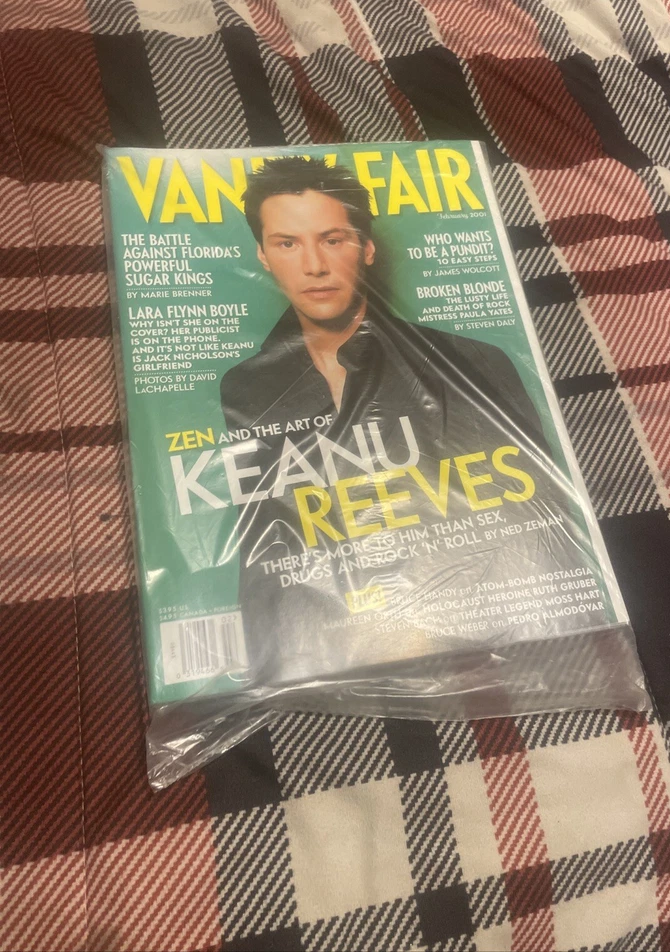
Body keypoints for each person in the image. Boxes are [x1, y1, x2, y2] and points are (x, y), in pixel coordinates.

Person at [220, 156, 588, 687]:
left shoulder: (470, 362)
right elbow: (266, 556)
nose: (314, 265)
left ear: (367, 248)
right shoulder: (246, 387)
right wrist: (271, 673)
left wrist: (546, 654)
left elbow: (537, 530)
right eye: (287, 243)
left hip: (484, 638)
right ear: (263, 255)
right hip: (329, 658)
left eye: (332, 239)